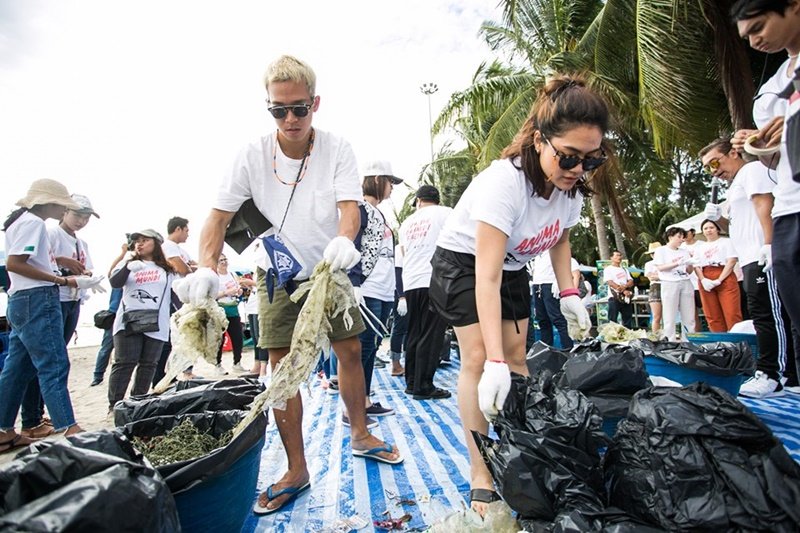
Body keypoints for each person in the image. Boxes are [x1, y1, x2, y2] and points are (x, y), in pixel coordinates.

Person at [176, 54, 402, 514]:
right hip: (275, 272)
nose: (291, 118)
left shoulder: (337, 147)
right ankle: (297, 468)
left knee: (351, 351)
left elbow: (349, 208)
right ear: (269, 109)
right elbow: (217, 218)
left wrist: (343, 240)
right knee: (281, 370)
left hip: (328, 270)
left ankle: (360, 433)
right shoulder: (251, 154)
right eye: (280, 110)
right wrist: (205, 267)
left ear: (315, 103)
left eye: (299, 108)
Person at [429, 76, 601, 514]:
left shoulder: (570, 185)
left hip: (513, 268)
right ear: (540, 140)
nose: (577, 169)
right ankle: (481, 468)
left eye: (590, 160)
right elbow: (484, 278)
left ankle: (519, 447)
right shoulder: (504, 184)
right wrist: (496, 363)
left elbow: (559, 237)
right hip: (466, 264)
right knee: (480, 358)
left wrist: (568, 292)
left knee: (519, 357)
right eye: (568, 157)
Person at [730, 0, 800, 393]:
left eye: (759, 27)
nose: (754, 41)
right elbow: (778, 161)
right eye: (747, 36)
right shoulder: (775, 83)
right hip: (789, 205)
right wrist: (758, 145)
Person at [0, 179, 98, 452]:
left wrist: (60, 264)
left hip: (20, 299)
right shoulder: (34, 223)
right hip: (37, 297)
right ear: (51, 203)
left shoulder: (21, 221)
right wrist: (61, 281)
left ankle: (4, 429)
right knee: (53, 363)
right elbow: (15, 264)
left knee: (17, 368)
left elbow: (24, 261)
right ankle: (69, 427)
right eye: (63, 206)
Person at [701, 136, 796, 397]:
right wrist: (717, 218)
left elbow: (764, 205)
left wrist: (769, 244)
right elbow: (737, 226)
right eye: (708, 167)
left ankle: (773, 375)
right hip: (748, 259)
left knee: (769, 316)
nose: (714, 171)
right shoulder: (734, 187)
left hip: (763, 255)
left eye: (715, 162)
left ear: (733, 152)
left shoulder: (752, 170)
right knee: (764, 315)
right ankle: (785, 375)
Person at [350, 160, 403, 418]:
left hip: (383, 289)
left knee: (372, 346)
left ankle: (366, 399)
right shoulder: (359, 208)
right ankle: (354, 406)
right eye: (390, 182)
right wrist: (354, 281)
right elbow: (351, 244)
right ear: (378, 179)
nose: (392, 188)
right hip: (367, 288)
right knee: (362, 347)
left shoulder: (379, 214)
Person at [107, 229, 176, 411]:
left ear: (156, 243)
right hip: (129, 320)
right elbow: (115, 282)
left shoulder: (166, 269)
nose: (139, 243)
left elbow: (174, 294)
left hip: (157, 322)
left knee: (148, 364)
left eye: (145, 240)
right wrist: (127, 264)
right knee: (124, 363)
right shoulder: (128, 263)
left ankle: (138, 403)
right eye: (137, 240)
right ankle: (115, 405)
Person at [398, 185, 453, 400]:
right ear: (436, 199)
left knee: (414, 332)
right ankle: (424, 386)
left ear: (419, 201)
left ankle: (412, 382)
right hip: (434, 278)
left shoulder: (406, 223)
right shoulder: (445, 213)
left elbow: (403, 252)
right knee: (431, 334)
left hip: (411, 281)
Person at [48, 194, 99, 344]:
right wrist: (61, 261)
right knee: (53, 347)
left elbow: (87, 268)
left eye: (86, 218)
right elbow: (36, 263)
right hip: (56, 298)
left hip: (74, 299)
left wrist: (87, 275)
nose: (81, 221)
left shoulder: (81, 243)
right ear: (65, 211)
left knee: (63, 345)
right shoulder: (52, 235)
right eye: (77, 215)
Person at [153, 216, 198, 384]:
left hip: (181, 296)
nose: (188, 234)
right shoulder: (168, 247)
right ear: (177, 229)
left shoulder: (180, 250)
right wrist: (191, 268)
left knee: (179, 337)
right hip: (172, 295)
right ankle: (160, 375)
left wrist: (191, 267)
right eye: (186, 230)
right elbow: (182, 268)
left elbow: (195, 265)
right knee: (170, 337)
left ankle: (172, 372)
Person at [693, 219, 743, 332]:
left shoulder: (726, 242)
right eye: (705, 228)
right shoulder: (699, 247)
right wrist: (703, 279)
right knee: (711, 313)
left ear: (717, 229)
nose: (708, 230)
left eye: (711, 227)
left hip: (724, 273)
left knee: (731, 312)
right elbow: (696, 266)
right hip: (705, 275)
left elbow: (731, 261)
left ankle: (736, 342)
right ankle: (720, 342)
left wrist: (720, 279)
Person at [653, 228, 695, 341]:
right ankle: (669, 340)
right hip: (669, 282)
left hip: (685, 281)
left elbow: (689, 271)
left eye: (683, 237)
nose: (681, 240)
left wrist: (691, 263)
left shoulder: (684, 252)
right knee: (669, 314)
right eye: (679, 237)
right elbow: (660, 267)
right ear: (670, 237)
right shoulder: (661, 250)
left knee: (689, 314)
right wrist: (676, 263)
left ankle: (689, 339)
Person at [530, 253, 579, 349]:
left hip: (550, 284)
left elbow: (572, 271)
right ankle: (545, 350)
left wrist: (560, 282)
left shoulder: (553, 247)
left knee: (558, 319)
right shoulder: (537, 253)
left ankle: (567, 348)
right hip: (537, 284)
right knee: (542, 320)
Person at [603, 250, 634, 329]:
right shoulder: (608, 269)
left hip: (626, 298)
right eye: (616, 255)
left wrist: (625, 286)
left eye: (620, 255)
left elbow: (631, 281)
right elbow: (610, 282)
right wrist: (623, 290)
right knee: (612, 319)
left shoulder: (624, 269)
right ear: (611, 258)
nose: (619, 257)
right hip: (614, 297)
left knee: (627, 319)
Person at [643, 242, 663, 333]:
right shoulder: (649, 264)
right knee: (656, 316)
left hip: (667, 286)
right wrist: (662, 276)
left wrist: (658, 276)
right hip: (655, 287)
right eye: (652, 253)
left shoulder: (667, 262)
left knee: (669, 316)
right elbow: (651, 277)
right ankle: (656, 336)